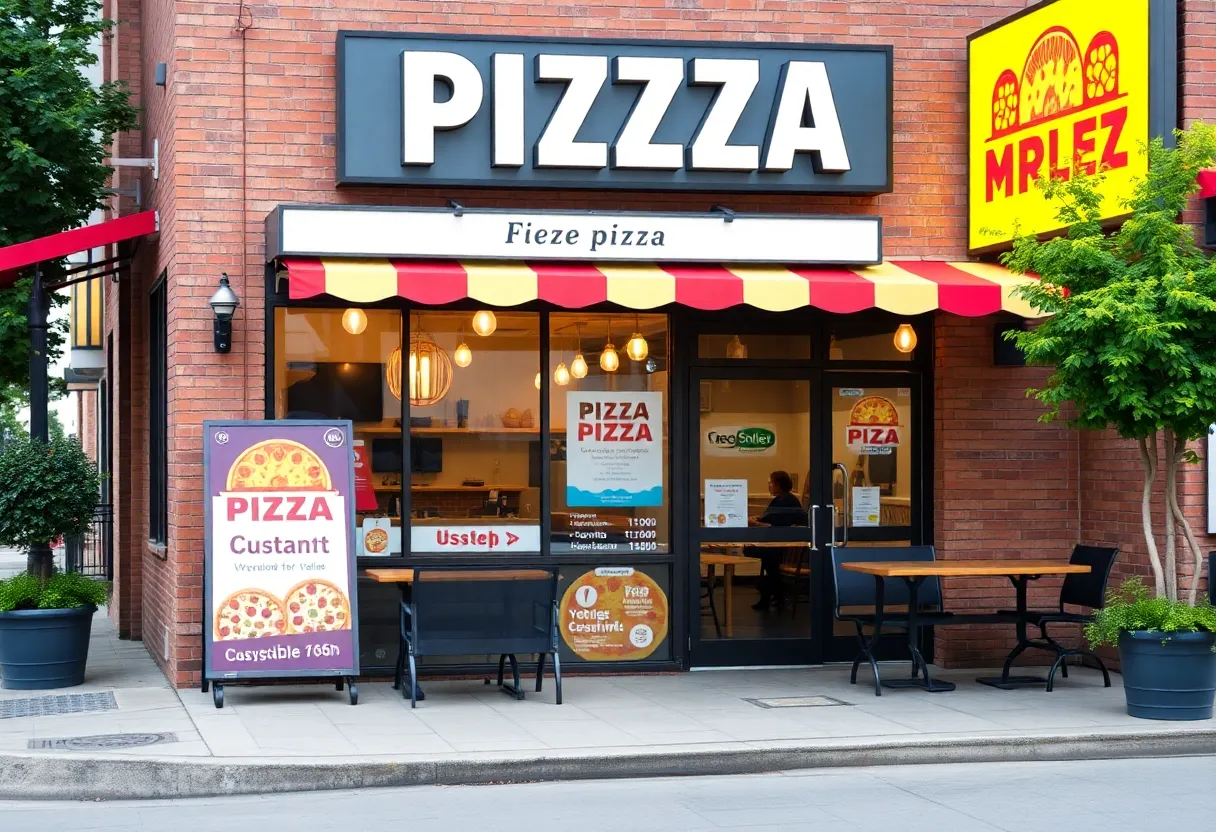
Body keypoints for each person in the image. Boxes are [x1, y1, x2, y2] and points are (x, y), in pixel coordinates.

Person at [747, 470, 804, 610]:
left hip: (786, 545)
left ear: (778, 484)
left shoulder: (790, 502)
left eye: (771, 483)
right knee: (767, 559)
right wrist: (758, 519)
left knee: (769, 558)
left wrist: (756, 524)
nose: (769, 486)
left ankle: (770, 593)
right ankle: (775, 592)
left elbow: (779, 525)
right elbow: (768, 517)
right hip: (775, 542)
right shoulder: (777, 500)